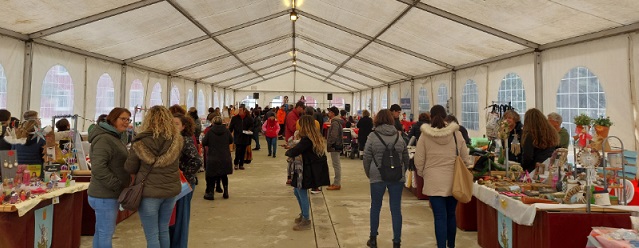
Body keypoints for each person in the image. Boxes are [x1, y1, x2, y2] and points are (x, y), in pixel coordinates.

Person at [125, 106, 183, 248]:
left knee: (152, 235)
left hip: (149, 192)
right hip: (170, 190)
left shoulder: (140, 141)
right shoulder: (176, 140)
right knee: (163, 230)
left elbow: (130, 167)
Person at [414, 105, 470, 248]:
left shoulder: (425, 135)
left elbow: (418, 160)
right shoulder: (456, 133)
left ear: (431, 117)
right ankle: (451, 245)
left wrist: (423, 173)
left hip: (433, 181)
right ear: (446, 117)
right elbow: (465, 157)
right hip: (453, 180)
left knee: (439, 217)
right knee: (451, 215)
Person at [363, 109, 410, 248]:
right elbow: (406, 156)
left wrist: (369, 173)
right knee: (396, 209)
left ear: (377, 120)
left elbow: (366, 157)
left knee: (375, 207)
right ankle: (396, 241)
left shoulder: (373, 136)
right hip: (396, 177)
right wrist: (402, 171)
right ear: (391, 119)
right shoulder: (398, 135)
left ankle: (373, 239)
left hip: (377, 176)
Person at [87, 108, 132, 248]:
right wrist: (117, 185)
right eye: (122, 119)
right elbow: (98, 167)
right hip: (104, 195)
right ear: (113, 119)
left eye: (128, 119)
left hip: (107, 194)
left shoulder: (114, 137)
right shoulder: (104, 139)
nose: (126, 122)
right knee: (105, 233)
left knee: (101, 232)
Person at [285, 116, 331, 231]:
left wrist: (289, 150)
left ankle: (306, 219)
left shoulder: (307, 139)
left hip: (307, 170)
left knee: (301, 192)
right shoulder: (313, 137)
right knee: (297, 191)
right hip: (308, 169)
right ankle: (303, 214)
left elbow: (294, 151)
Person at [169, 114, 203, 248]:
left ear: (183, 127)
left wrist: (184, 175)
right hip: (175, 184)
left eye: (176, 124)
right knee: (173, 219)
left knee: (180, 220)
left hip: (184, 185)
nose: (173, 126)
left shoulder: (185, 140)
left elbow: (196, 161)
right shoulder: (173, 139)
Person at [326, 106, 344, 190]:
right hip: (336, 145)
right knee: (336, 164)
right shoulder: (336, 122)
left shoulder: (335, 123)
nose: (328, 113)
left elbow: (334, 135)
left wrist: (329, 143)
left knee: (336, 165)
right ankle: (336, 182)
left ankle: (337, 183)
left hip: (335, 146)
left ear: (332, 113)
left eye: (329, 112)